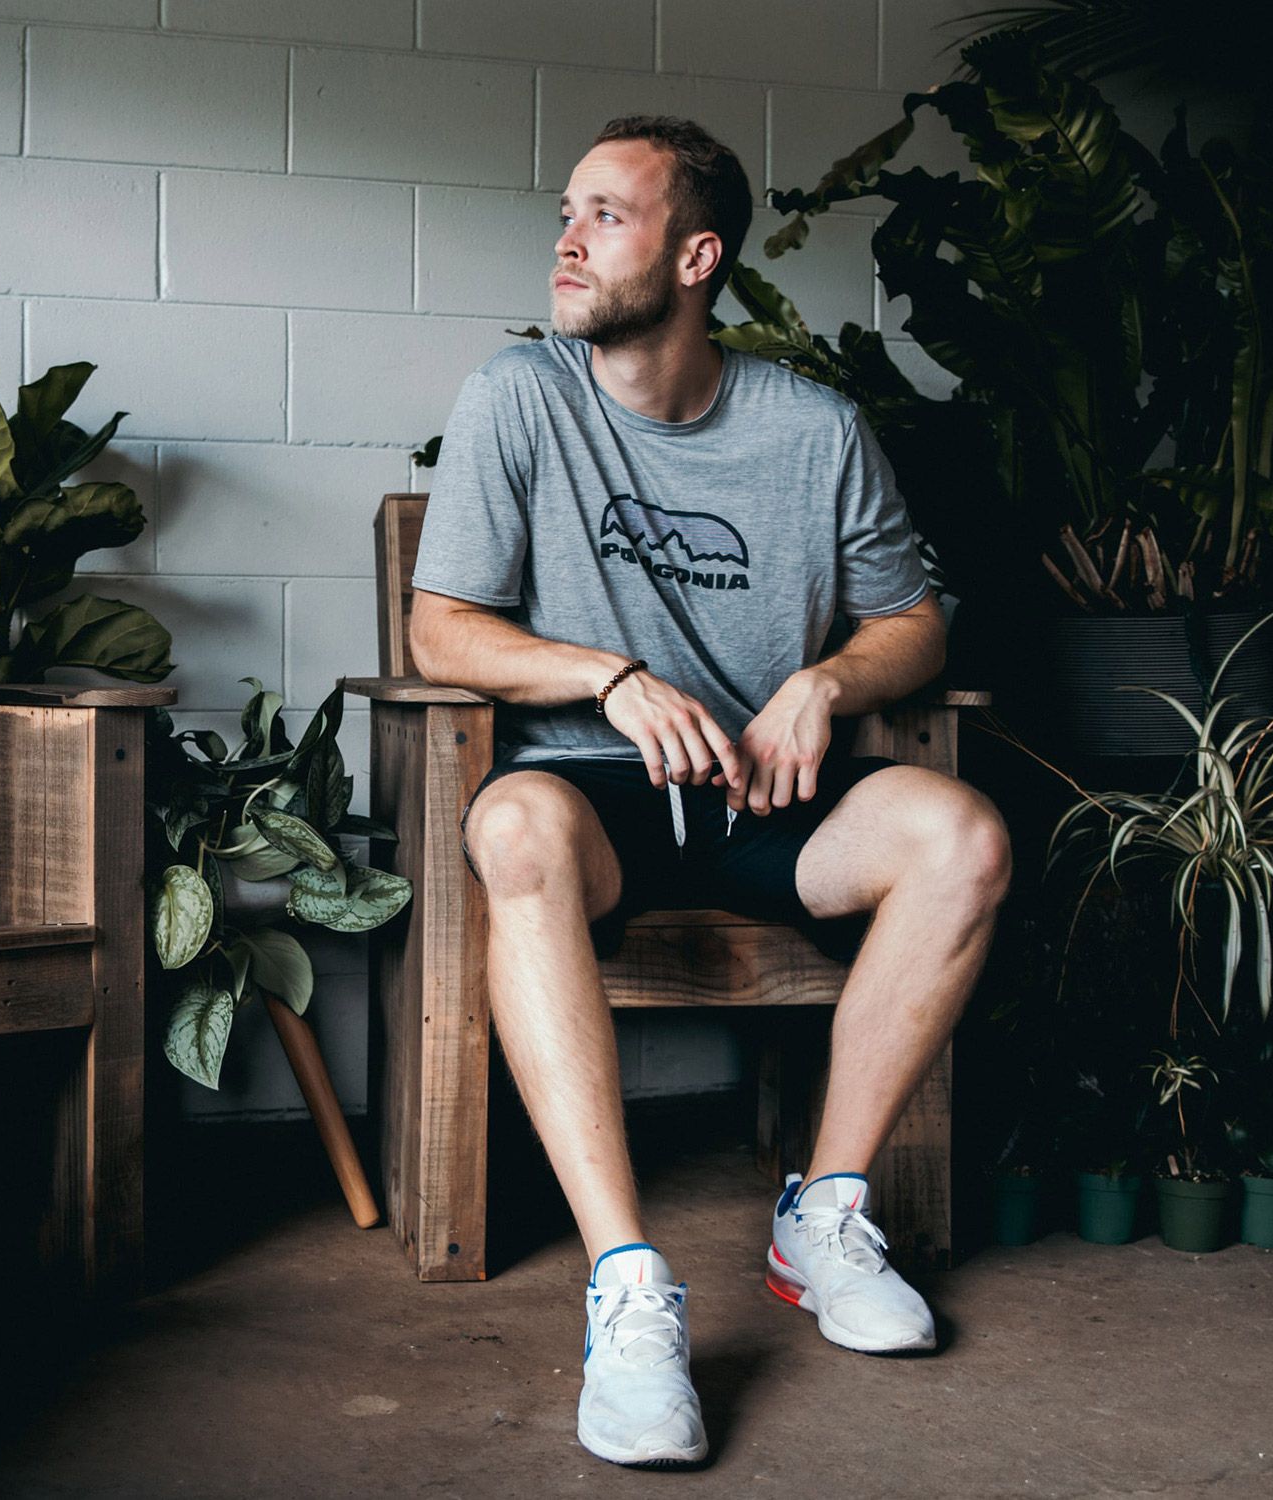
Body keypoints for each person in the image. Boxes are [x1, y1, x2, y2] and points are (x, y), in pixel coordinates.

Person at [406, 115, 1011, 1470]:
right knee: (511, 825)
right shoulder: (521, 395)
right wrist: (608, 677)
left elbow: (915, 625)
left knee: (961, 838)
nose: (567, 240)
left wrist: (826, 685)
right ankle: (628, 1285)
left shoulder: (814, 428)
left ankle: (825, 1218)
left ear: (695, 257)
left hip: (768, 796)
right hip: (596, 799)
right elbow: (441, 630)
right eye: (567, 212)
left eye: (605, 216)